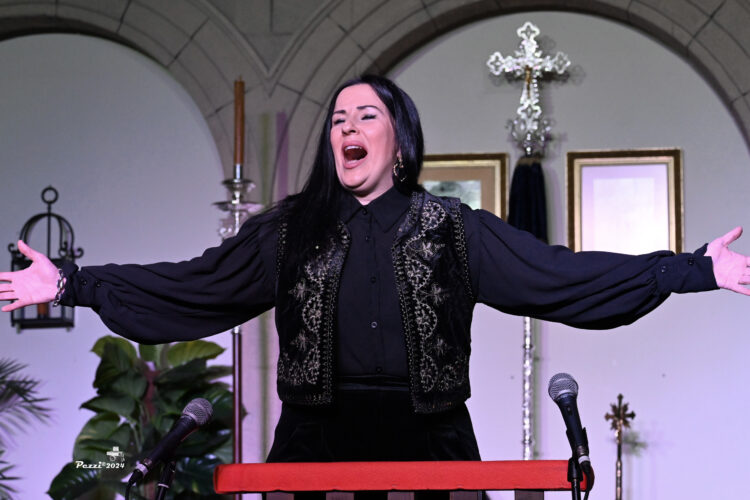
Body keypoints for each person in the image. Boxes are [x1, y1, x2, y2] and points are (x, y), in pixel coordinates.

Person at [1, 75, 749, 468]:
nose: (347, 129)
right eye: (337, 120)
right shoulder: (288, 232)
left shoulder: (454, 231)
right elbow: (197, 286)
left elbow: (561, 277)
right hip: (312, 446)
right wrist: (71, 283)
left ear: (400, 141)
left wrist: (693, 271)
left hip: (432, 446)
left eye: (365, 117)